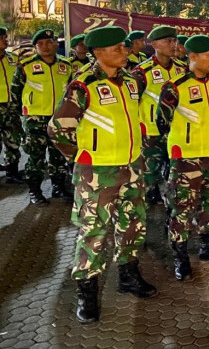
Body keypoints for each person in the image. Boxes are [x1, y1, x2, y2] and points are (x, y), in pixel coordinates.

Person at [48, 26, 156, 324]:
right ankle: (86, 292)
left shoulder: (132, 82)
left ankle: (129, 275)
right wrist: (83, 158)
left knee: (133, 225)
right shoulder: (83, 86)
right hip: (97, 174)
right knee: (94, 233)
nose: (125, 51)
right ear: (98, 53)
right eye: (117, 48)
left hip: (132, 167)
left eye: (124, 47)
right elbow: (58, 129)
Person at [156, 35, 209, 281]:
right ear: (192, 57)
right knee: (182, 209)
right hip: (185, 159)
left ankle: (208, 246)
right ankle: (180, 258)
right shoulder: (174, 86)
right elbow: (161, 121)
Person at [11, 29, 73, 205]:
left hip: (58, 119)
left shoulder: (66, 66)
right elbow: (15, 92)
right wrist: (23, 116)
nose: (45, 47)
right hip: (34, 120)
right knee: (35, 157)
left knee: (58, 156)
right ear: (35, 47)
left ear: (55, 44)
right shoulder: (25, 66)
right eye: (40, 44)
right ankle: (35, 191)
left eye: (49, 42)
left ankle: (58, 187)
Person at [131, 26, 187, 205]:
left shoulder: (183, 69)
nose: (173, 45)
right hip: (151, 132)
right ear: (154, 44)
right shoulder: (142, 72)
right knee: (149, 173)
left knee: (175, 172)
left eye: (174, 41)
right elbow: (132, 102)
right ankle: (146, 209)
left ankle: (173, 208)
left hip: (176, 132)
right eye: (167, 41)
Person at [0, 27, 22, 184]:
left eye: (5, 37)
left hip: (11, 106)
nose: (5, 40)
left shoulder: (14, 58)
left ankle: (12, 172)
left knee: (13, 140)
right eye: (1, 37)